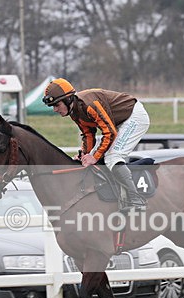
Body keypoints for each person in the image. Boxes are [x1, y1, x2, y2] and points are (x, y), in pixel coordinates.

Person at [42, 78, 150, 211]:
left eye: (57, 105)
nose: (54, 109)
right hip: (118, 122)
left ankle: (136, 199)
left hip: (134, 117)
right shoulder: (74, 112)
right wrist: (84, 155)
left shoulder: (89, 105)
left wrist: (93, 157)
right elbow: (88, 135)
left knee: (113, 156)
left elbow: (109, 132)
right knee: (96, 155)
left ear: (68, 99)